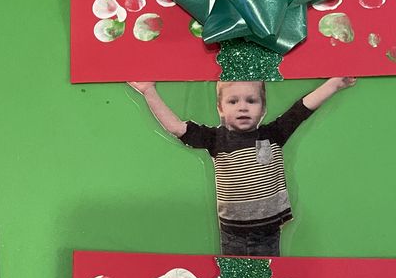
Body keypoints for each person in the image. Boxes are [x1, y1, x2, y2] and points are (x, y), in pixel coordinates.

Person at [128, 77, 356, 256]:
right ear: (220, 108)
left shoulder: (273, 133)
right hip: (232, 235)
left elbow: (302, 108)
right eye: (233, 101)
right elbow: (177, 128)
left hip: (269, 234)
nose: (243, 108)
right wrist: (149, 91)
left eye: (251, 100)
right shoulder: (216, 139)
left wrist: (333, 84)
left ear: (263, 107)